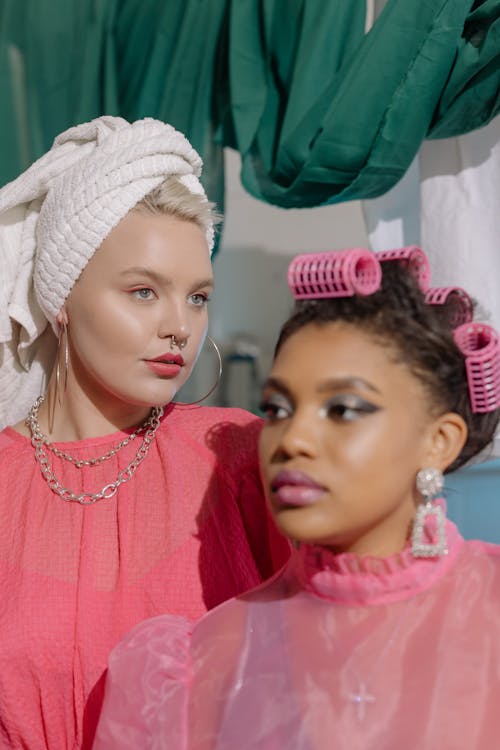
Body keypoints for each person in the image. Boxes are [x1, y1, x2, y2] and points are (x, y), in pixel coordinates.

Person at [94, 246, 500, 749]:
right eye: (279, 407)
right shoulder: (196, 666)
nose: (291, 438)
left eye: (343, 409)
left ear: (439, 441)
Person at [0, 116, 289, 750]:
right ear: (62, 300)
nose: (179, 327)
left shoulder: (237, 460)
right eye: (142, 291)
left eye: (196, 296)